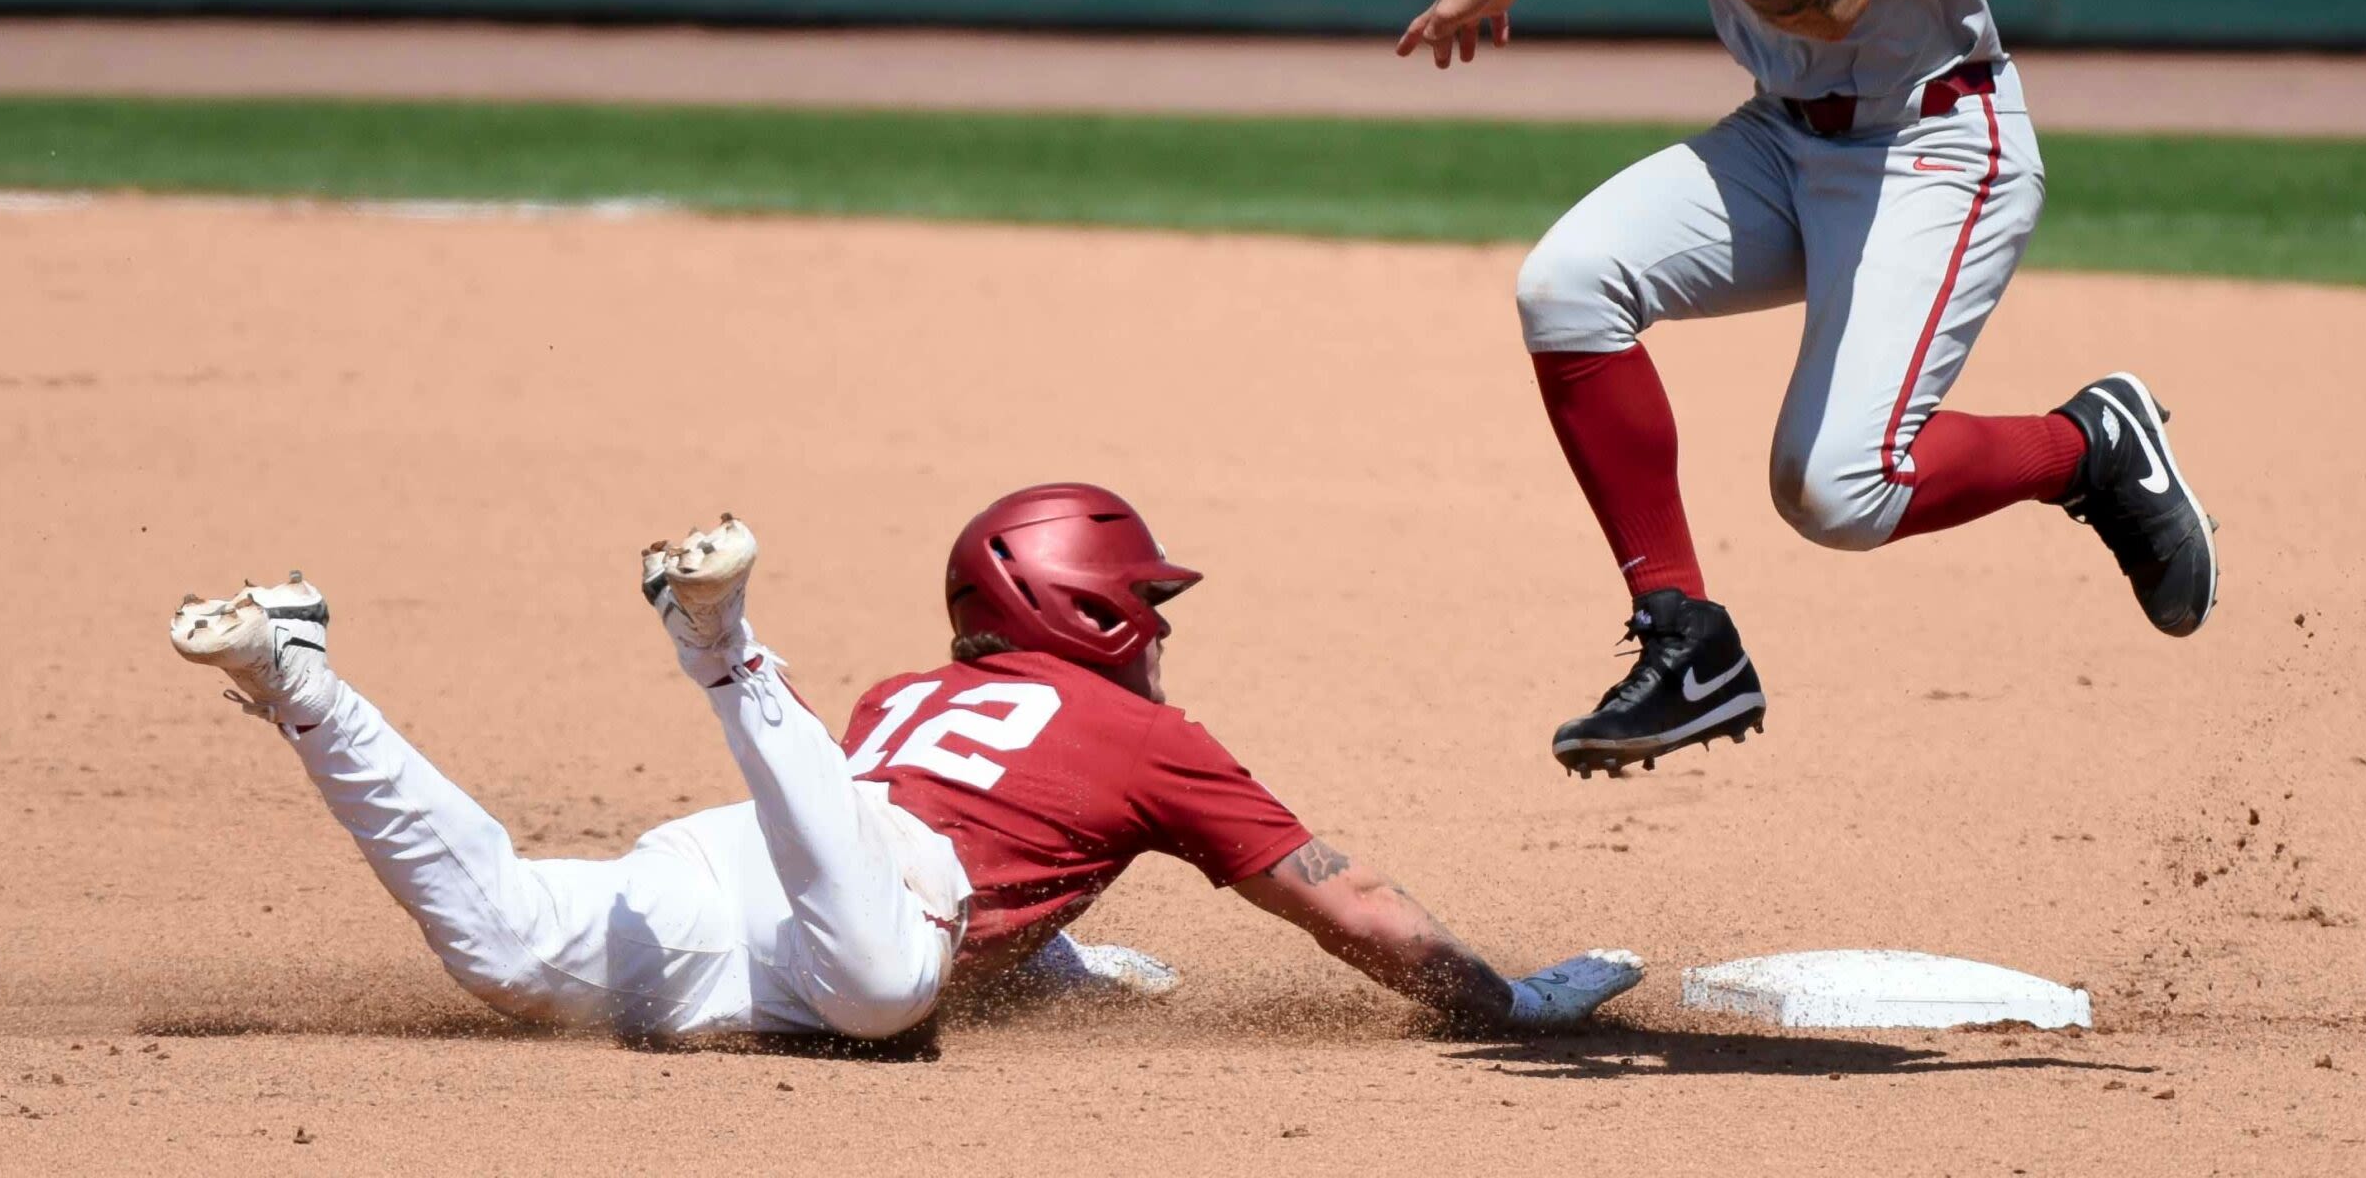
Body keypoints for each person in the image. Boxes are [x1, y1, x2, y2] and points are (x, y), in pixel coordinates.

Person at [1396, 0, 2219, 778]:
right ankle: (1685, 636)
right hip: (1787, 137)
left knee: (1838, 493)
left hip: (1935, 146)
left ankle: (2089, 445)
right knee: (1567, 286)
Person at [168, 483, 1643, 1042]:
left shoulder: (908, 693)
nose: (1159, 636)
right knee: (885, 989)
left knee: (496, 938)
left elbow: (994, 850)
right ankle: (724, 649)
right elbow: (1360, 911)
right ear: (1098, 609)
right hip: (855, 906)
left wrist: (1060, 974)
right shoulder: (1152, 738)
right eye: (1148, 607)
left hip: (741, 867)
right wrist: (1509, 1000)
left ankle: (299, 681)